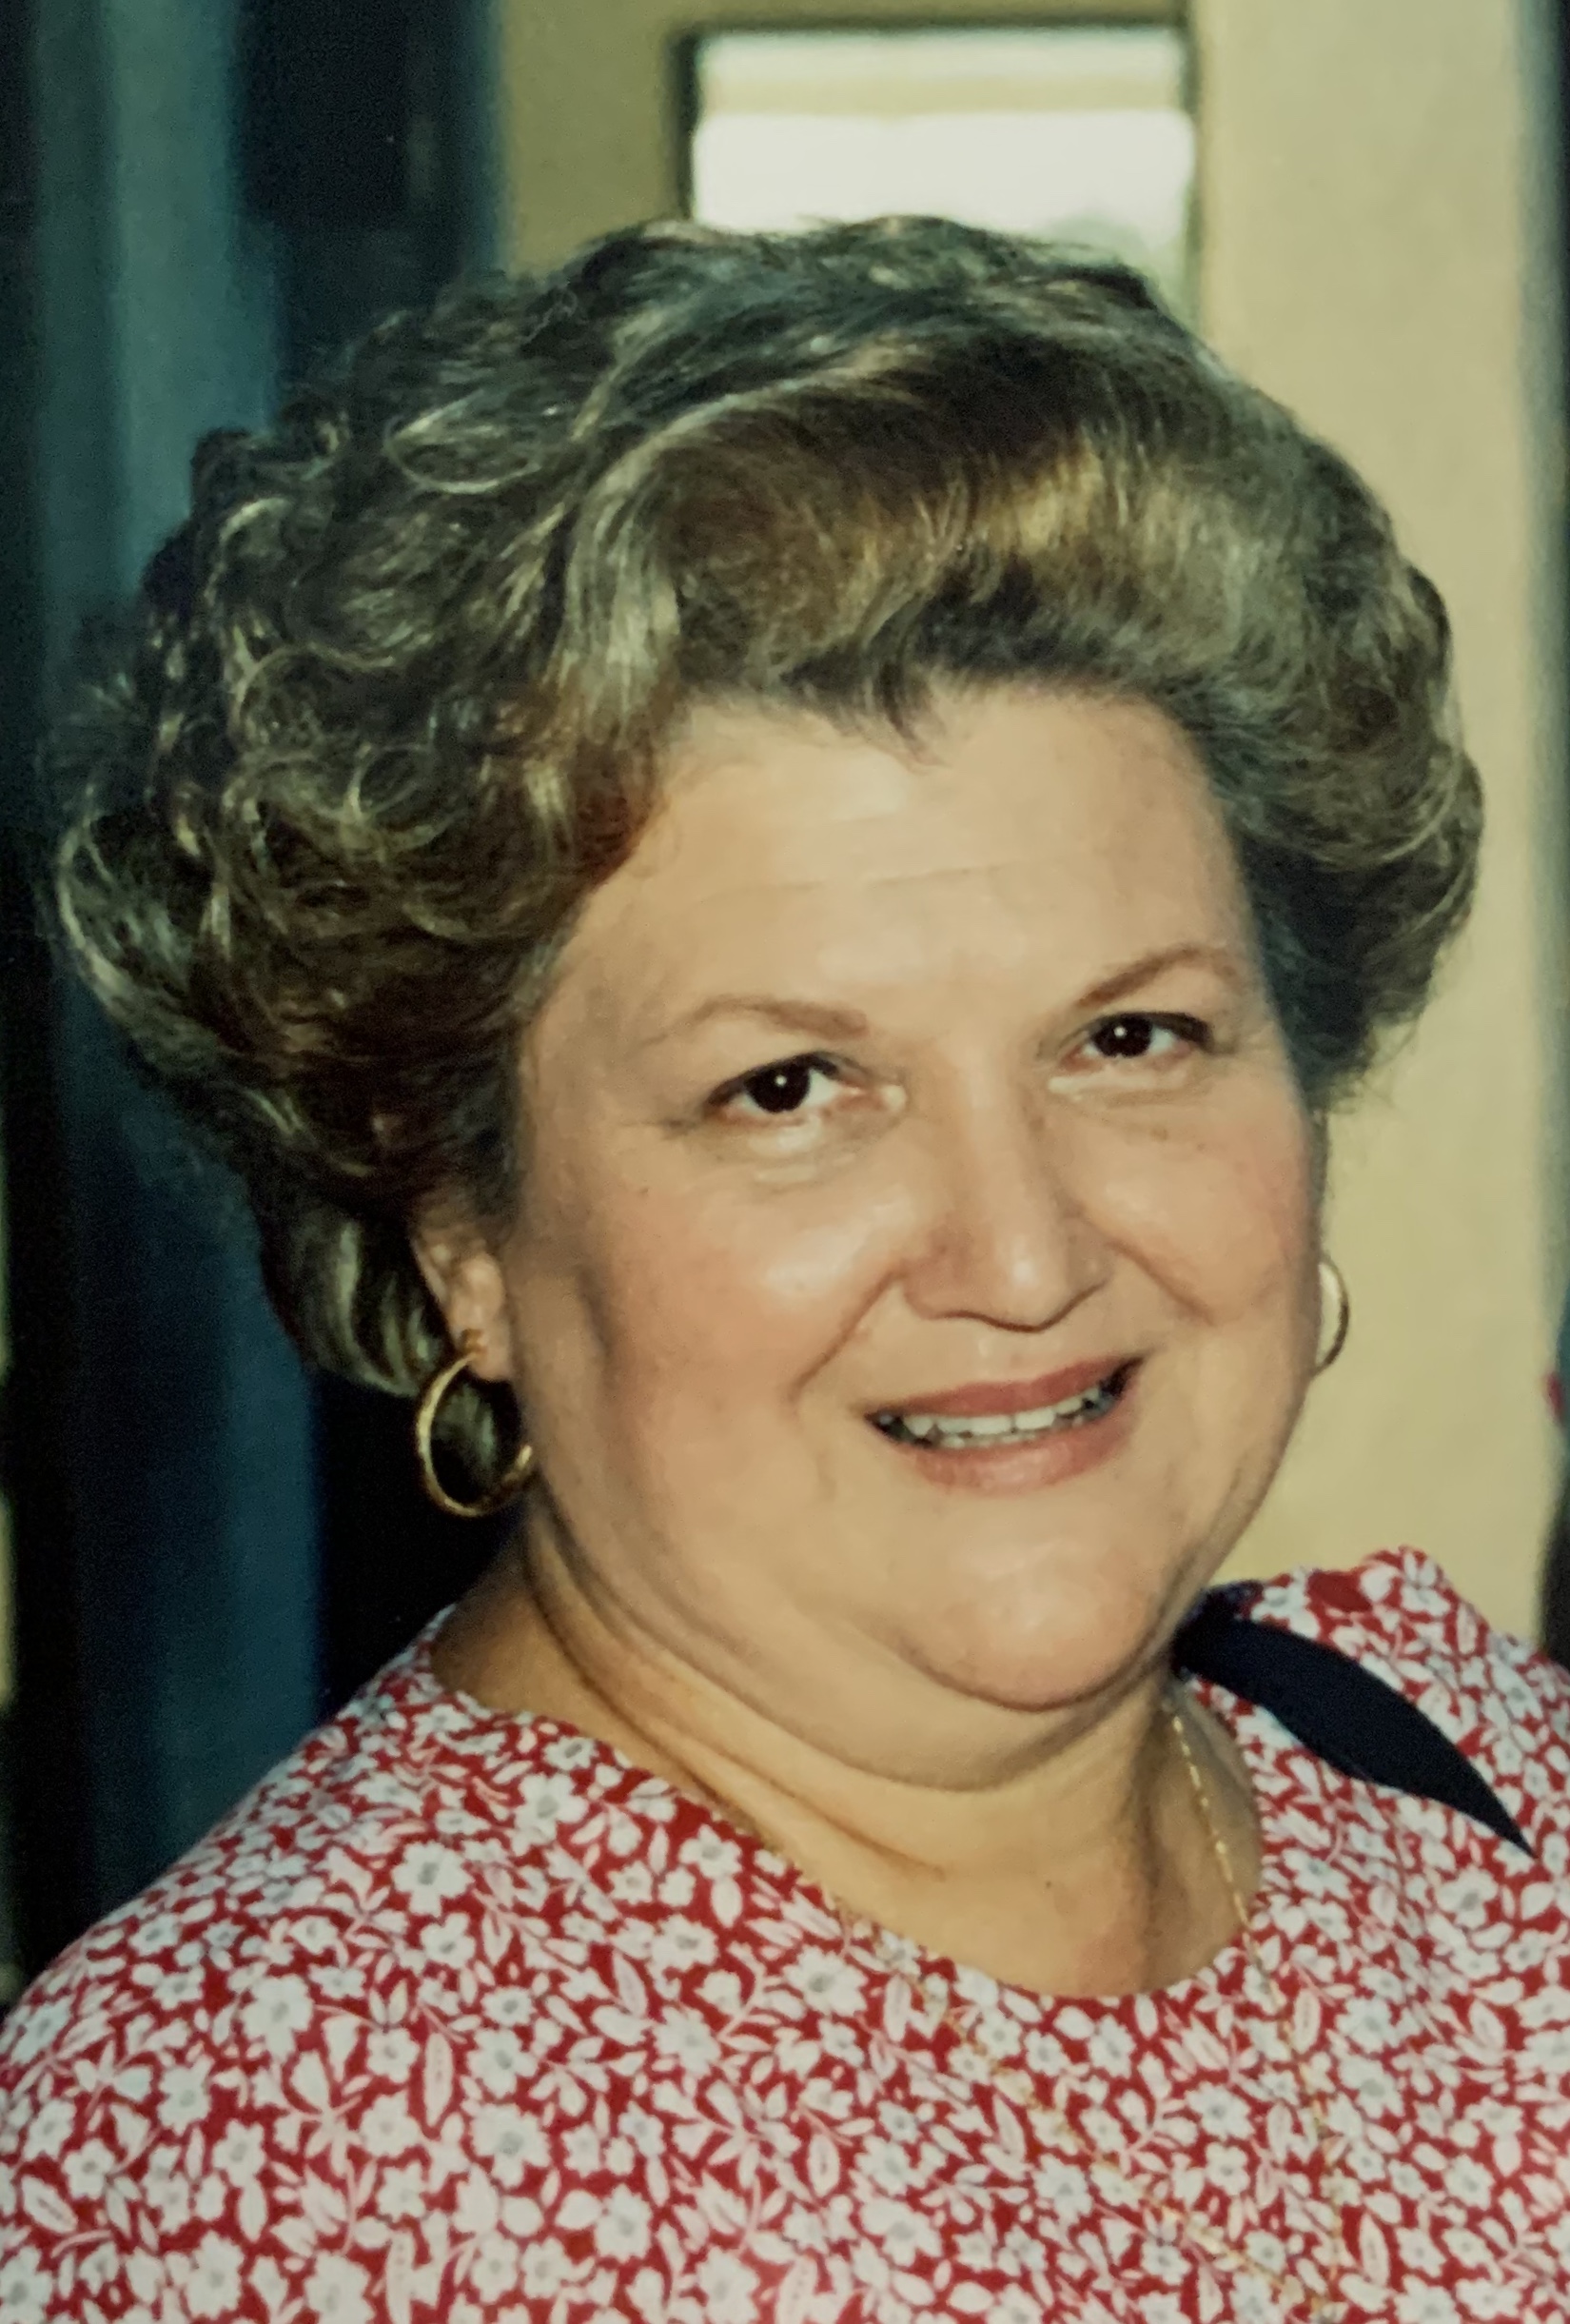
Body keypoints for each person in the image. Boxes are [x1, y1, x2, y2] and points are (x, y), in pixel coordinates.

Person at [0, 214, 1562, 2324]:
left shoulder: (1460, 1788)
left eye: (1130, 1037)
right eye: (791, 1086)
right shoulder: (266, 2162)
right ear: (458, 1227)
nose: (1023, 1253)